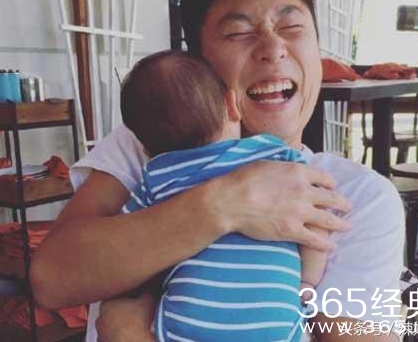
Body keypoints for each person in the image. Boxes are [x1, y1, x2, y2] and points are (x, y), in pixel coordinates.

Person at [30, 0, 404, 341]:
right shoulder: (150, 145)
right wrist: (226, 204)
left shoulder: (359, 197)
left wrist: (127, 331)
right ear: (199, 64)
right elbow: (52, 278)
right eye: (239, 33)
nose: (273, 49)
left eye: (292, 27)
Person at [120, 50, 327, 341]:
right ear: (231, 105)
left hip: (185, 325)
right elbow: (317, 221)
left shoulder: (154, 177)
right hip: (275, 324)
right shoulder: (277, 156)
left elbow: (128, 245)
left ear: (144, 146)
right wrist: (309, 280)